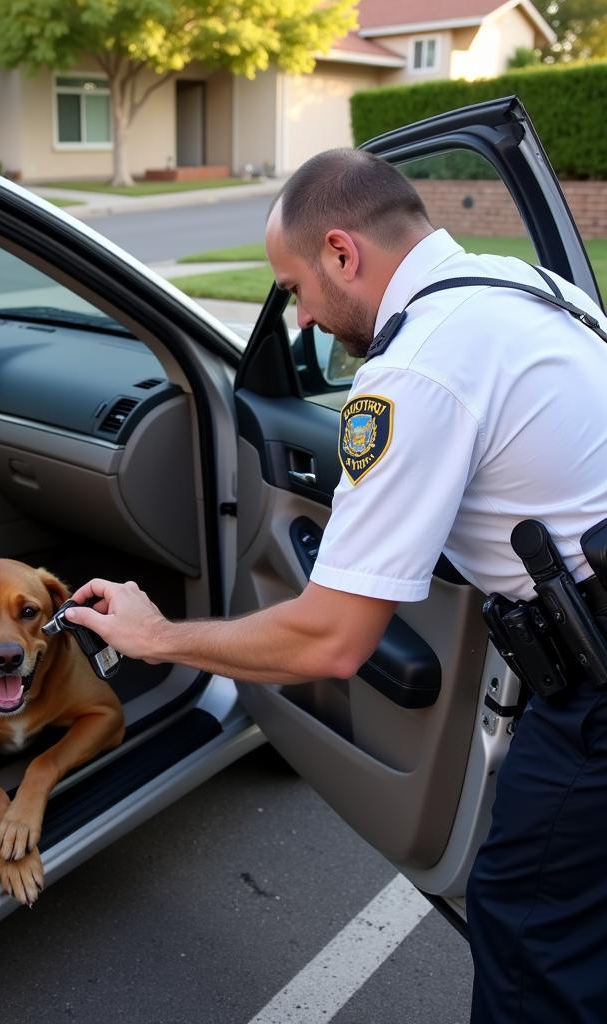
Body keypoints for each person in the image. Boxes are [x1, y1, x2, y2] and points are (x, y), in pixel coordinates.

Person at [63, 148, 607, 1023]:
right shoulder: (526, 285)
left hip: (595, 696)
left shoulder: (411, 371)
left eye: (298, 290)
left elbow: (332, 639)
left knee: (530, 932)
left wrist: (156, 636)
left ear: (343, 253)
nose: (306, 322)